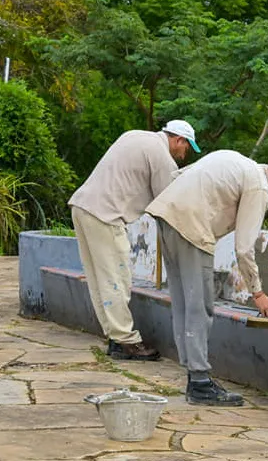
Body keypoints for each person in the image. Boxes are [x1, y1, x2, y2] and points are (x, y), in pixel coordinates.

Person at [146, 150, 268, 406]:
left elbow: (180, 174)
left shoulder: (236, 160)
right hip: (192, 228)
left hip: (167, 216)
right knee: (200, 306)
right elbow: (243, 247)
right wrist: (258, 294)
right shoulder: (259, 185)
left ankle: (192, 373)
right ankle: (199, 382)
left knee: (183, 302)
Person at [68, 120, 200, 361]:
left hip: (82, 206)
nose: (184, 154)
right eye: (186, 148)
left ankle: (115, 337)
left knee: (99, 280)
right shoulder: (162, 156)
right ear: (179, 140)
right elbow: (167, 203)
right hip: (105, 215)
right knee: (117, 278)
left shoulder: (134, 135)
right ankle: (127, 342)